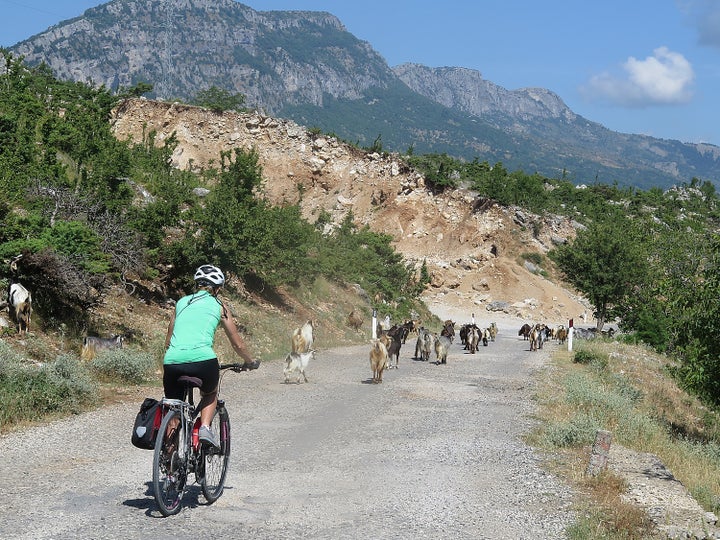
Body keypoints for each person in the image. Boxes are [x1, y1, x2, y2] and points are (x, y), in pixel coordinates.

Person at [163, 264, 259, 448]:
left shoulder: (181, 303)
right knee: (210, 393)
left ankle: (169, 466)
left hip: (172, 362)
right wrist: (250, 361)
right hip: (203, 361)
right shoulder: (219, 306)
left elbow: (168, 340)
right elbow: (237, 343)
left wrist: (171, 359)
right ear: (218, 288)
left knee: (174, 410)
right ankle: (205, 428)